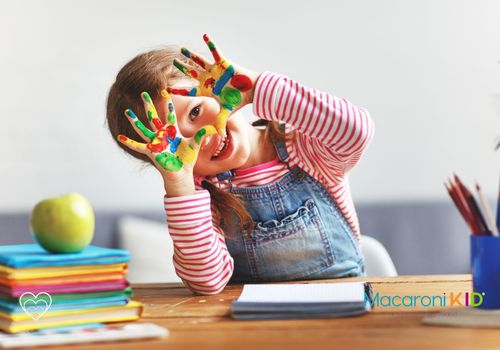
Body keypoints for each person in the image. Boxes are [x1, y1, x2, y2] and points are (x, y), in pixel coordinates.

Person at [106, 34, 375, 295]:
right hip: (253, 327)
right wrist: (180, 185)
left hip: (345, 307)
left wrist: (255, 87)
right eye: (175, 143)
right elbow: (207, 282)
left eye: (195, 111)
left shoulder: (306, 148)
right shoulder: (202, 197)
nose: (202, 137)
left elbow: (355, 131)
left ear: (219, 88)